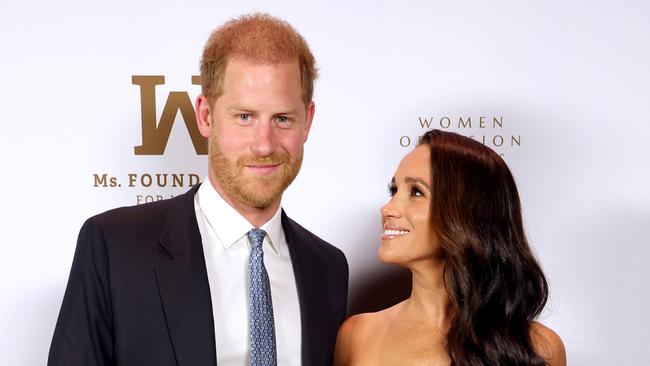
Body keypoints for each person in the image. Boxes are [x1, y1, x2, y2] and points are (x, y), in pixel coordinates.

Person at [48, 14, 348, 366]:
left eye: (282, 118)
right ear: (205, 116)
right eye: (244, 117)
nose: (264, 144)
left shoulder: (327, 268)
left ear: (307, 121)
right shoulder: (114, 247)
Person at [334, 130, 566, 366]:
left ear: (468, 213)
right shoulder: (357, 336)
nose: (388, 209)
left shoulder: (539, 347)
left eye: (416, 192)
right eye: (393, 191)